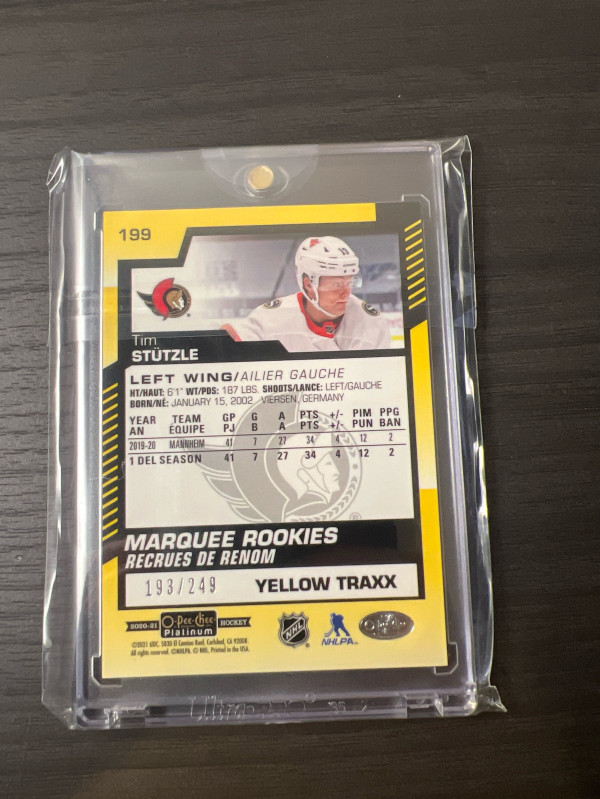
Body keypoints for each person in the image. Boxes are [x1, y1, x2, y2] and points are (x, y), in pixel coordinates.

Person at [222, 237, 391, 351]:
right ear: (309, 284)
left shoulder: (371, 323)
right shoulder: (272, 318)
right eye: (336, 285)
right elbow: (227, 340)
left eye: (349, 283)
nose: (345, 294)